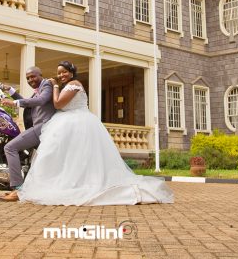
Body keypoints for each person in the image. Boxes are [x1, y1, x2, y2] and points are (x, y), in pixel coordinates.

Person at [18, 61, 173, 206]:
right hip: (67, 123)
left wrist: (55, 86)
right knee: (68, 157)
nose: (61, 75)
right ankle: (66, 182)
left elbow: (58, 103)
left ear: (72, 73)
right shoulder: (67, 85)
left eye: (64, 72)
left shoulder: (74, 84)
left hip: (79, 122)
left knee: (79, 157)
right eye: (59, 73)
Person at [0, 66, 55, 201]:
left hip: (43, 127)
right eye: (28, 78)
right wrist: (10, 90)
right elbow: (28, 103)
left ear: (41, 75)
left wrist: (14, 103)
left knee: (10, 147)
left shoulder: (46, 85)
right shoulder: (38, 90)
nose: (30, 80)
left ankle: (17, 189)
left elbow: (40, 101)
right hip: (40, 127)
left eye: (33, 76)